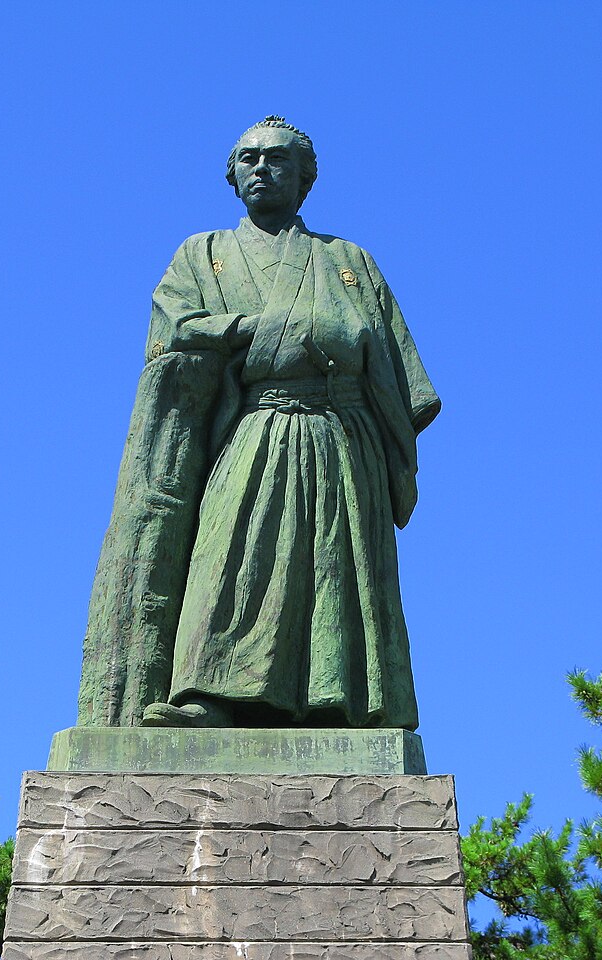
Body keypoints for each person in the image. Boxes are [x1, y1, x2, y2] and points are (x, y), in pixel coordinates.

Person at [77, 117, 439, 730]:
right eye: (248, 159)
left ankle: (335, 701)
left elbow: (406, 385)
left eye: (276, 159)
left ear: (305, 180)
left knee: (332, 569)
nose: (261, 168)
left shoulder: (349, 261)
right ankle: (209, 695)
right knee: (228, 560)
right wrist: (251, 330)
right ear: (232, 175)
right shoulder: (202, 254)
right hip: (251, 425)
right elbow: (175, 330)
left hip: (337, 436)